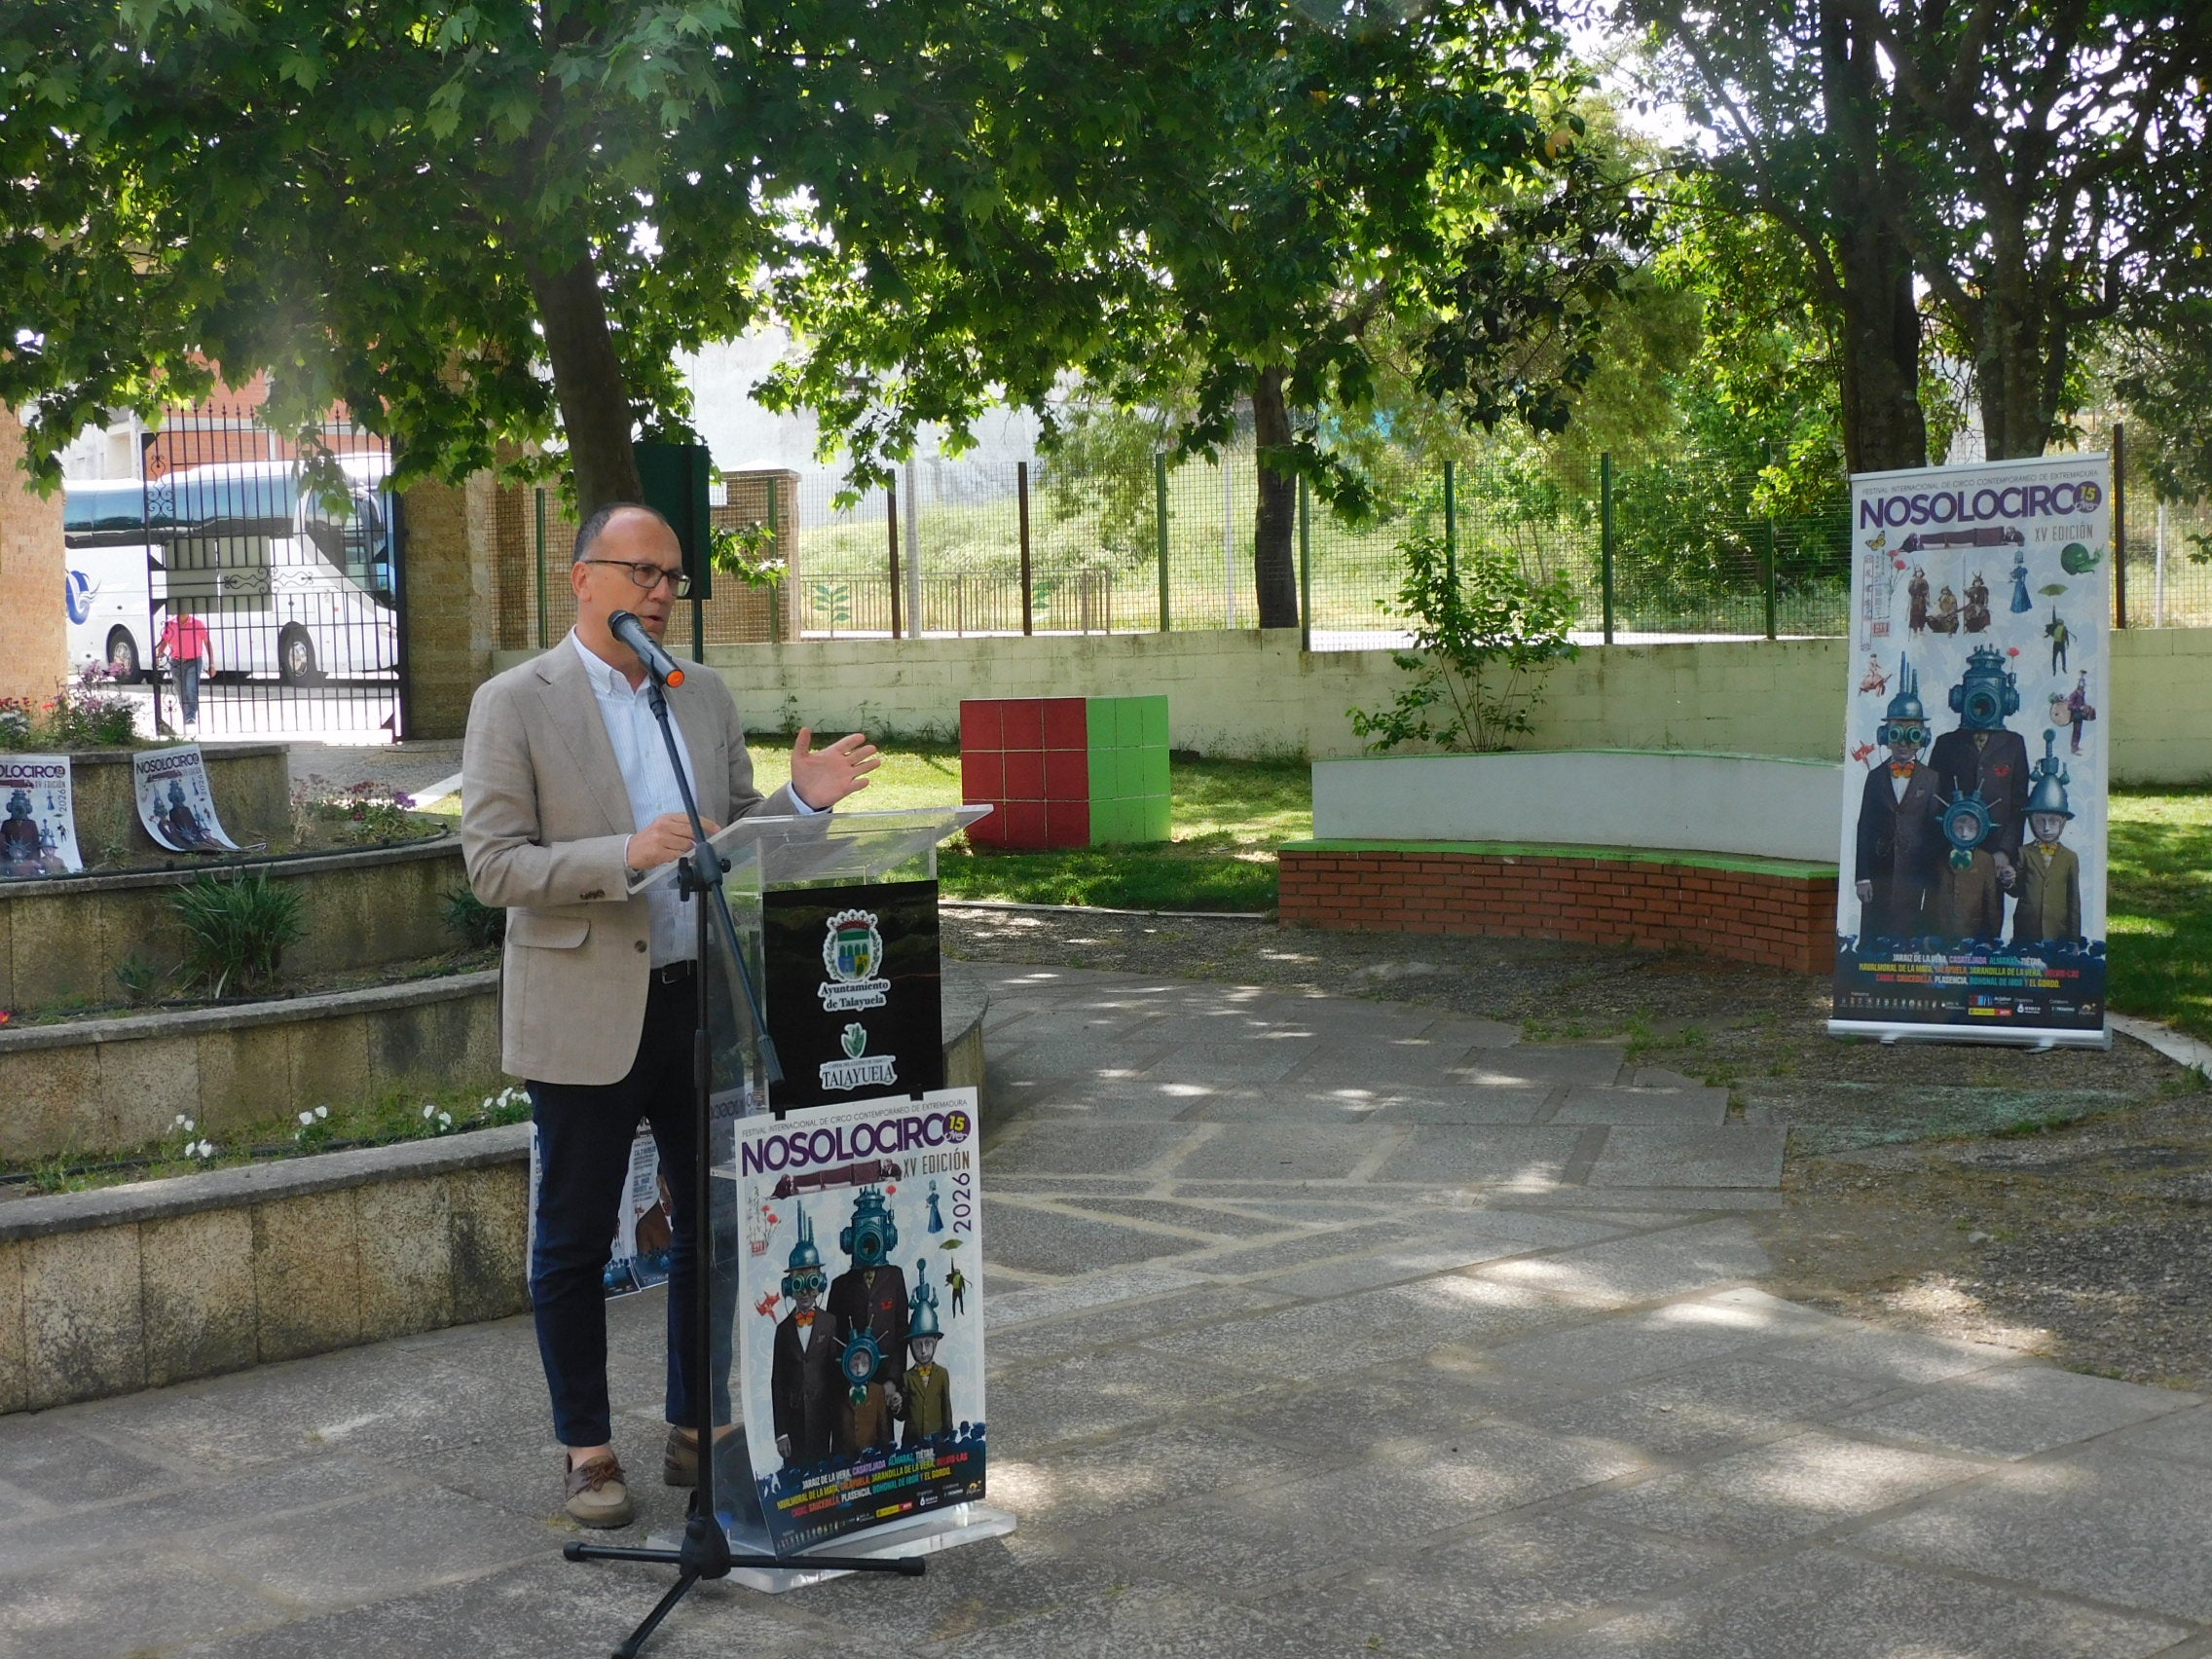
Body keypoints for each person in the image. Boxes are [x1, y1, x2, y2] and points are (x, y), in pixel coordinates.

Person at [461, 501, 879, 1529]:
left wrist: (803, 803)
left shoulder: (700, 698)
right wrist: (622, 858)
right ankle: (587, 1452)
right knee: (570, 1243)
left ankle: (697, 1423)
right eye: (641, 572)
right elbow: (491, 865)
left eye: (671, 578)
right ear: (582, 579)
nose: (659, 593)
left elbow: (732, 843)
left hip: (702, 1004)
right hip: (585, 1007)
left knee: (712, 1231)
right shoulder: (515, 702)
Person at [1853, 657, 1940, 946]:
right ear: (1885, 737)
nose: (1904, 743)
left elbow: (1934, 831)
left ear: (1922, 738)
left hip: (1914, 878)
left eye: (1911, 735)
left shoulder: (1931, 780)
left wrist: (1933, 882)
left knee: (1909, 938)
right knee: (1875, 938)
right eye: (1896, 734)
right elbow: (1864, 828)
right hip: (1879, 876)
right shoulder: (1876, 777)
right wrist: (1862, 877)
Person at [769, 1204, 840, 1469]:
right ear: (789, 1287)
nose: (805, 1292)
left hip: (824, 1419)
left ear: (820, 1284)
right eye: (798, 1284)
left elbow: (835, 1375)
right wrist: (781, 1432)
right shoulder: (783, 1330)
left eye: (811, 1283)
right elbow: (777, 1382)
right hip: (794, 1421)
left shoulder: (829, 1323)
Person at [2010, 732, 2082, 949]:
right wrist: (2009, 879)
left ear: (2063, 822)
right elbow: (2016, 890)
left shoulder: (2070, 857)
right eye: (2040, 821)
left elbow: (2073, 901)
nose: (2047, 827)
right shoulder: (2023, 853)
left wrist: (2074, 940)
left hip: (2058, 934)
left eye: (2053, 821)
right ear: (2031, 821)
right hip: (2026, 933)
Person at [157, 608, 212, 736]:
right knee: (180, 691)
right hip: (176, 662)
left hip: (194, 661)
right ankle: (187, 715)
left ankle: (190, 717)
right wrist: (159, 655)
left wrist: (212, 663)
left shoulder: (197, 623)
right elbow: (164, 641)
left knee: (191, 688)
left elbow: (207, 642)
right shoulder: (170, 624)